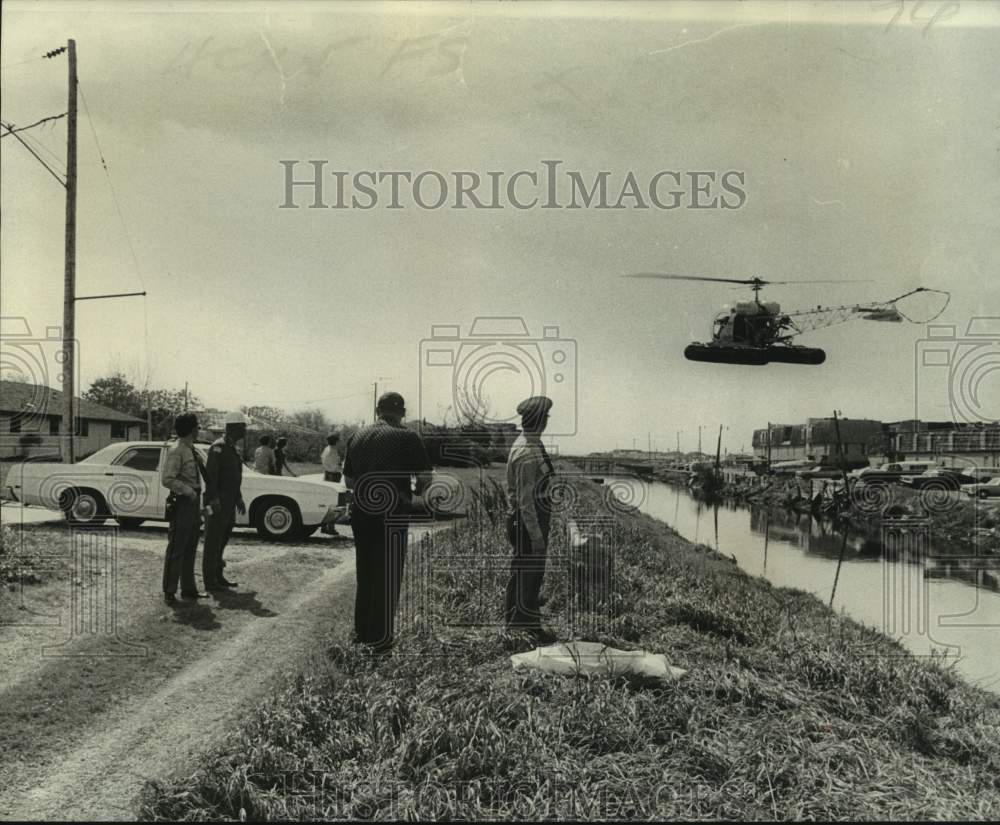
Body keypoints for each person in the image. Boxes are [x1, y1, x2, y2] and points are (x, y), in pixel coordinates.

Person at [343, 392, 432, 655]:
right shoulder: (407, 436)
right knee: (388, 577)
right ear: (401, 413)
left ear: (377, 411)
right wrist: (414, 491)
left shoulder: (357, 436)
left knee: (366, 573)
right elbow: (425, 477)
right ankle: (380, 642)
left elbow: (348, 481)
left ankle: (361, 634)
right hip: (392, 513)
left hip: (362, 512)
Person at [504, 395, 557, 644]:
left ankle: (520, 622)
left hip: (533, 517)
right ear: (539, 420)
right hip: (529, 520)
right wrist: (536, 535)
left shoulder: (532, 443)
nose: (547, 420)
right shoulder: (526, 450)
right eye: (545, 417)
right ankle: (524, 628)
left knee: (527, 572)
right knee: (528, 573)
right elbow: (525, 502)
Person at [160, 412, 207, 605]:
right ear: (190, 428)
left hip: (193, 501)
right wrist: (188, 491)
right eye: (196, 425)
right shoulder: (177, 450)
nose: (198, 429)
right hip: (183, 502)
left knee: (190, 547)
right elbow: (167, 479)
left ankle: (189, 589)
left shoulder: (190, 449)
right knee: (177, 548)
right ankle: (170, 591)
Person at [203, 411, 247, 592]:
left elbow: (233, 478)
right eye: (243, 427)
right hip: (218, 503)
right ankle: (209, 580)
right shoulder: (218, 447)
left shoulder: (231, 448)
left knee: (222, 540)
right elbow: (211, 477)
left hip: (228, 503)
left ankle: (218, 575)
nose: (245, 431)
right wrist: (213, 500)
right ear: (233, 428)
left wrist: (238, 498)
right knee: (213, 540)